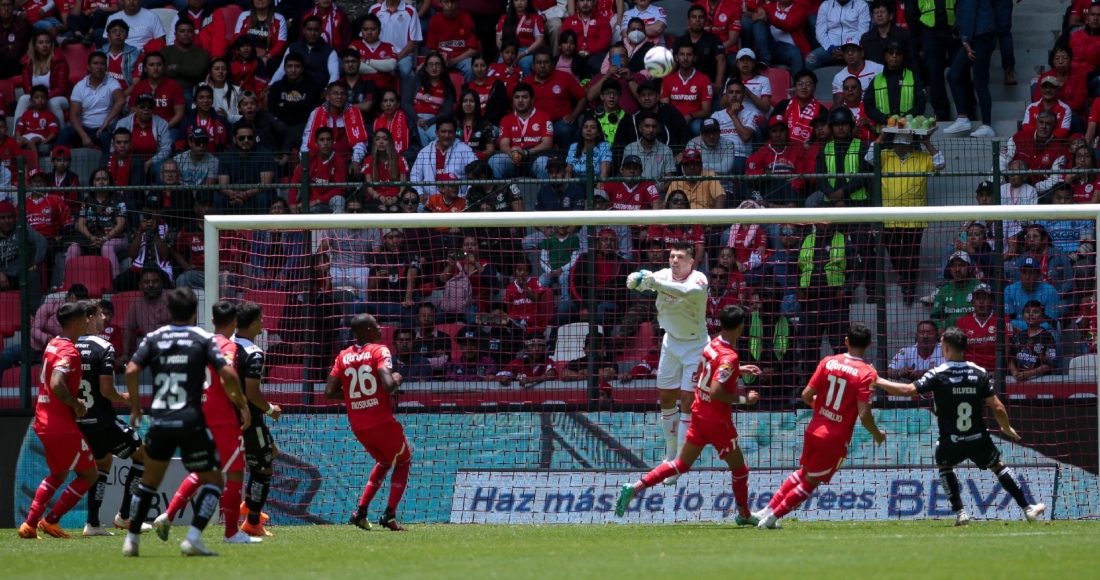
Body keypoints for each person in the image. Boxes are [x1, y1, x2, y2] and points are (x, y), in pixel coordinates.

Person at [875, 327, 1047, 525]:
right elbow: (997, 407)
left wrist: (878, 380)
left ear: (945, 348)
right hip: (977, 438)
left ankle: (961, 513)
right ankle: (1027, 508)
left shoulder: (937, 373)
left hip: (950, 439)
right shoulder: (979, 372)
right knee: (998, 466)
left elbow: (906, 390)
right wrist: (1006, 428)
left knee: (945, 466)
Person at [121, 287, 244, 557]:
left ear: (168, 311)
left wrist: (134, 408)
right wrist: (241, 402)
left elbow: (131, 370)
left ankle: (131, 541)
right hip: (191, 421)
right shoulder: (201, 337)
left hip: (160, 419)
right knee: (214, 481)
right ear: (195, 312)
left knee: (148, 482)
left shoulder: (154, 337)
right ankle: (193, 538)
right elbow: (227, 374)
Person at [615, 305, 761, 523]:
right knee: (741, 469)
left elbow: (708, 372)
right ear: (741, 326)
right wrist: (744, 400)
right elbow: (717, 389)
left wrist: (739, 369)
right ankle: (744, 515)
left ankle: (635, 487)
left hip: (699, 413)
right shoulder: (729, 357)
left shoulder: (712, 345)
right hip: (717, 421)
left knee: (681, 465)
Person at [754, 323, 886, 529]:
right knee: (810, 482)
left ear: (846, 342)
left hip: (814, 429)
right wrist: (877, 434)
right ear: (869, 344)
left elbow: (806, 395)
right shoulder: (867, 373)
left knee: (803, 472)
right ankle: (771, 519)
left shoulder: (829, 361)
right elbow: (864, 414)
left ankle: (767, 510)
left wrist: (822, 406)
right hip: (834, 438)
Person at [625, 241, 709, 478]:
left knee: (686, 400)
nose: (674, 261)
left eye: (680, 257)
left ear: (691, 262)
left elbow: (684, 292)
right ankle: (670, 453)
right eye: (672, 256)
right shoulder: (662, 274)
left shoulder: (698, 280)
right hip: (670, 343)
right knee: (666, 398)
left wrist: (654, 282)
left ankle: (680, 462)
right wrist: (636, 279)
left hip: (695, 345)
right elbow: (642, 280)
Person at [16, 303, 97, 540]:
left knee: (59, 474)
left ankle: (29, 525)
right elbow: (56, 383)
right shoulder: (69, 352)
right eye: (85, 319)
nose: (88, 322)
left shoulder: (52, 344)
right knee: (89, 475)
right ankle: (51, 520)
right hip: (60, 425)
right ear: (75, 323)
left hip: (43, 420)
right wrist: (77, 404)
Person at [73, 300, 151, 537]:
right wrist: (128, 398)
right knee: (144, 457)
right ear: (88, 318)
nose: (104, 318)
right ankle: (125, 516)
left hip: (81, 421)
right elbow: (107, 391)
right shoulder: (103, 347)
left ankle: (93, 523)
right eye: (99, 314)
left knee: (103, 465)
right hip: (103, 421)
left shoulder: (67, 346)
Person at [325, 313, 409, 531]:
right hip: (381, 421)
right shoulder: (379, 350)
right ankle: (389, 515)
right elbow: (389, 384)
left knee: (384, 462)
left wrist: (357, 397)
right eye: (376, 325)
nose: (380, 328)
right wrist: (398, 377)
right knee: (403, 461)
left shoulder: (342, 356)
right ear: (369, 331)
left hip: (359, 426)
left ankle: (360, 512)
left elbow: (329, 392)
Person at [865, 131, 945, 305]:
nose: (900, 148)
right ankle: (905, 274)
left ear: (910, 145)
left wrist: (928, 143)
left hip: (914, 213)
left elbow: (940, 163)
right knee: (892, 248)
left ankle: (909, 286)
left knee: (911, 251)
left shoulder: (922, 157)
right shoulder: (884, 155)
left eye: (904, 145)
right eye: (898, 144)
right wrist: (881, 137)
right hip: (888, 213)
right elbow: (868, 158)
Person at [232, 301, 281, 538]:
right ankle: (252, 521)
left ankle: (249, 506)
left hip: (228, 414)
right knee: (264, 466)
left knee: (272, 451)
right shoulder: (254, 352)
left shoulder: (225, 346)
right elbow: (252, 392)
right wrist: (271, 409)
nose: (263, 322)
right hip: (249, 417)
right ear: (252, 324)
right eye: (260, 319)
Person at [61, 51, 124, 152]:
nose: (99, 67)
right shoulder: (80, 86)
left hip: (104, 129)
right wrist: (84, 136)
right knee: (64, 133)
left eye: (102, 64)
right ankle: (56, 165)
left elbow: (121, 100)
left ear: (106, 67)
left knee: (106, 138)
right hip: (84, 128)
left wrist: (107, 121)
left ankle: (107, 167)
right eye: (95, 63)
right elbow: (73, 116)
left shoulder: (112, 82)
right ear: (89, 67)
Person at [489, 82, 554, 179]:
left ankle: (545, 194)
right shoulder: (506, 119)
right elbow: (504, 145)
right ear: (513, 100)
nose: (520, 100)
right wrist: (512, 153)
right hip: (513, 158)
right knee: (494, 160)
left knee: (543, 163)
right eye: (517, 97)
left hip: (535, 156)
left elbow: (547, 143)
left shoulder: (544, 116)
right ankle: (498, 194)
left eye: (524, 97)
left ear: (532, 100)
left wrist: (526, 153)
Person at [301, 81, 369, 169]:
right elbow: (306, 140)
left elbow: (359, 141)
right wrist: (304, 162)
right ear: (327, 97)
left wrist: (356, 160)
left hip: (346, 162)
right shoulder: (316, 113)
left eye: (342, 94)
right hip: (320, 161)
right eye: (335, 94)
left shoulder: (354, 112)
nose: (339, 97)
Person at [528, 50, 587, 148]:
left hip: (559, 123)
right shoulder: (526, 82)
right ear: (533, 66)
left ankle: (565, 161)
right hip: (535, 123)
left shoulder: (564, 77)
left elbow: (583, 97)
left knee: (565, 130)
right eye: (539, 62)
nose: (542, 66)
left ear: (552, 65)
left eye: (546, 62)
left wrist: (574, 115)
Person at [862, 40, 925, 128]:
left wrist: (903, 119)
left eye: (898, 53)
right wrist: (885, 119)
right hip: (884, 131)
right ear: (886, 56)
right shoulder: (876, 80)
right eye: (891, 53)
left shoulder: (913, 77)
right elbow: (868, 106)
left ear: (903, 56)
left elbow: (920, 104)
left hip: (908, 130)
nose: (894, 56)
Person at [216, 123, 277, 214]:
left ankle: (260, 228)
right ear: (234, 139)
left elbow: (266, 184)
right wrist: (235, 195)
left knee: (262, 197)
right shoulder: (226, 156)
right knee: (219, 198)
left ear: (254, 139)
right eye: (241, 138)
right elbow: (223, 185)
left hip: (255, 193)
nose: (246, 140)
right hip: (233, 196)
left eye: (250, 138)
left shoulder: (265, 154)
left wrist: (246, 194)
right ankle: (223, 228)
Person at [15, 31, 70, 127]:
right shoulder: (27, 62)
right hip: (37, 97)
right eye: (40, 43)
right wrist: (38, 98)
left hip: (59, 97)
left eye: (47, 42)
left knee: (53, 103)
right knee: (23, 99)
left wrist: (43, 97)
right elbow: (27, 87)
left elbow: (61, 88)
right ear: (35, 46)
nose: (44, 45)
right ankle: (16, 135)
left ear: (51, 44)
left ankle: (61, 134)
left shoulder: (60, 61)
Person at [402, 51, 456, 147]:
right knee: (418, 139)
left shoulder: (447, 86)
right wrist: (416, 118)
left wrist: (430, 122)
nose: (434, 68)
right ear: (426, 68)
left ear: (443, 68)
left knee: (439, 140)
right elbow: (405, 102)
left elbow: (447, 112)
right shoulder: (416, 80)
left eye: (437, 64)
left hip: (435, 121)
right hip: (415, 120)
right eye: (430, 64)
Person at [269, 16, 338, 88]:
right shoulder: (293, 47)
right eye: (309, 29)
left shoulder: (329, 51)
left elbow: (334, 75)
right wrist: (271, 85)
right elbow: (282, 70)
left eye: (316, 30)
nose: (313, 33)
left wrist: (327, 91)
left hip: (318, 91)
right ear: (304, 30)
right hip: (292, 89)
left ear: (321, 31)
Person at [660, 43, 712, 136]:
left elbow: (706, 111)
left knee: (696, 127)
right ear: (676, 58)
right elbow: (664, 107)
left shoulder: (704, 79)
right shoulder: (668, 79)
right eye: (682, 54)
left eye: (689, 54)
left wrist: (690, 116)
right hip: (673, 119)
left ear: (695, 58)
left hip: (694, 120)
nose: (685, 58)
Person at [0, 200, 46, 304]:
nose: (7, 221)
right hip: (3, 276)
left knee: (33, 276)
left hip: (22, 274)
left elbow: (41, 241)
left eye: (10, 217)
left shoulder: (21, 227)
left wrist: (36, 263)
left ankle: (33, 316)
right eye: (2, 218)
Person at [128, 52, 186, 134]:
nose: (155, 68)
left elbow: (179, 114)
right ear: (145, 68)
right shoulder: (138, 87)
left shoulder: (174, 86)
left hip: (168, 127)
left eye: (159, 64)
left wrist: (164, 128)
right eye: (151, 65)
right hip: (144, 127)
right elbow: (132, 112)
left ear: (163, 67)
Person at [115, 93, 171, 176]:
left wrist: (149, 163)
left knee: (161, 168)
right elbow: (114, 145)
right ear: (136, 108)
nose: (146, 109)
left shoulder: (162, 124)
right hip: (129, 161)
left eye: (150, 107)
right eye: (142, 106)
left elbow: (166, 150)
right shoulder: (123, 123)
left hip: (153, 162)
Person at [367, 0, 421, 83]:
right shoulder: (374, 9)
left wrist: (395, 59)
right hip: (379, 54)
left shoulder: (410, 11)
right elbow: (367, 37)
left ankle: (404, 96)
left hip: (403, 55)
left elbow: (412, 42)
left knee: (405, 70)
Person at [425, 0, 479, 80]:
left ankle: (467, 92)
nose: (450, 5)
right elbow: (433, 49)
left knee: (470, 68)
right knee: (423, 69)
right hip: (441, 59)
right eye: (446, 2)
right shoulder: (434, 20)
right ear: (440, 3)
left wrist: (453, 61)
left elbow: (473, 50)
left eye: (453, 2)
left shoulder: (466, 18)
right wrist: (439, 61)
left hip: (462, 58)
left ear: (458, 3)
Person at [809, 0, 870, 71]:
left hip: (853, 47)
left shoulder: (861, 5)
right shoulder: (825, 5)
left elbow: (863, 32)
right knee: (810, 60)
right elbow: (820, 32)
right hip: (830, 47)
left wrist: (847, 49)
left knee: (871, 56)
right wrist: (830, 48)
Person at [234, 0, 288, 77]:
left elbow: (281, 44)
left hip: (269, 57)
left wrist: (267, 57)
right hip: (246, 53)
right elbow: (237, 38)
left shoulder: (279, 19)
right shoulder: (244, 16)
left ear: (270, 1)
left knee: (274, 63)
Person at [1008, 300, 1058, 382]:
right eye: (1027, 311)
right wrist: (1015, 374)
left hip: (1040, 380)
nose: (1031, 314)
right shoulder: (1018, 335)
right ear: (1023, 315)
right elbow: (1010, 359)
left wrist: (1029, 374)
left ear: (1042, 317)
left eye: (1035, 311)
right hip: (1017, 380)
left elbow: (1050, 364)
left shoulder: (1047, 337)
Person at [349, 13, 399, 95]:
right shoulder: (354, 45)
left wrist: (366, 61)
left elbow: (392, 65)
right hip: (361, 89)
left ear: (379, 30)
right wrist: (381, 69)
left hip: (384, 89)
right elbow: (354, 66)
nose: (369, 32)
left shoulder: (388, 46)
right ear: (361, 31)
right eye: (365, 29)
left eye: (373, 29)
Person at [161, 18, 210, 101]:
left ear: (194, 34)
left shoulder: (203, 53)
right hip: (168, 90)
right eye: (182, 31)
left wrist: (174, 67)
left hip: (192, 90)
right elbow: (163, 72)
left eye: (189, 31)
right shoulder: (165, 51)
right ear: (175, 34)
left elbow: (197, 73)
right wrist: (187, 72)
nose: (186, 34)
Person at [860, 0, 914, 68]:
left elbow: (913, 62)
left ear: (891, 16)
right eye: (876, 12)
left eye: (882, 12)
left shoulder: (905, 35)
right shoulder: (866, 38)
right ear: (873, 18)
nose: (879, 15)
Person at [955, 282, 997, 370]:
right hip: (969, 370)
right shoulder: (962, 322)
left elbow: (1007, 350)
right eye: (978, 298)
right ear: (973, 301)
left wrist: (998, 371)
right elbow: (958, 351)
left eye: (985, 298)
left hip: (995, 371)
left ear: (992, 300)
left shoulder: (1002, 319)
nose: (981, 302)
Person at [831, 38, 881, 102]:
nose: (850, 53)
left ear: (862, 53)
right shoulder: (839, 77)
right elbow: (838, 105)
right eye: (846, 51)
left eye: (854, 50)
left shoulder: (878, 69)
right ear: (843, 56)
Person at [16, 85, 60, 154]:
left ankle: (35, 164)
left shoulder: (50, 115)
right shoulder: (26, 114)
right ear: (31, 100)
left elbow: (53, 133)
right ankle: (15, 163)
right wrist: (18, 138)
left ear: (47, 99)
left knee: (32, 142)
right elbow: (19, 130)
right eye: (36, 97)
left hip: (40, 136)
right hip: (26, 135)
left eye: (43, 97)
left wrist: (44, 142)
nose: (40, 100)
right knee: (18, 142)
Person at [0, 0, 29, 81]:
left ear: (13, 7)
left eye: (9, 5)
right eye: (3, 5)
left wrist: (2, 47)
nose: (6, 8)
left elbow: (14, 54)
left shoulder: (21, 25)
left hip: (14, 64)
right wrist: (7, 47)